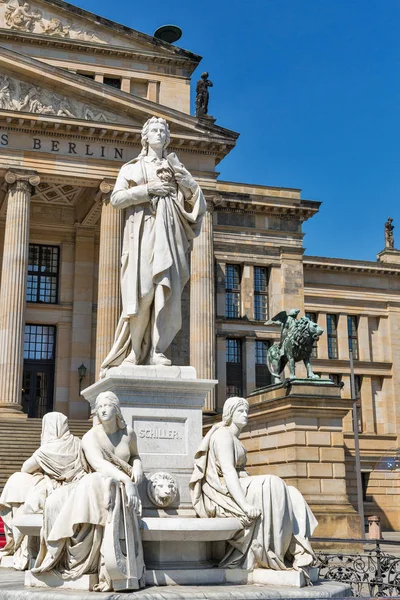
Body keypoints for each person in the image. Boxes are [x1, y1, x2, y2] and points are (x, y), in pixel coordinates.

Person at [100, 116, 205, 375]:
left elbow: (195, 200)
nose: (158, 134)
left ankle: (158, 351)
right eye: (154, 130)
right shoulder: (131, 168)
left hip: (169, 234)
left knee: (164, 293)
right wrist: (149, 190)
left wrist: (188, 184)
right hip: (142, 233)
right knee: (142, 294)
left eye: (162, 131)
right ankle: (135, 352)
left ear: (167, 138)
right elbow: (116, 198)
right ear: (145, 137)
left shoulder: (176, 167)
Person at [190, 397, 317, 574]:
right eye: (240, 411)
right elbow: (228, 471)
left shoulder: (234, 437)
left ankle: (298, 551)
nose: (245, 415)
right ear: (229, 414)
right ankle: (273, 553)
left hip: (239, 484)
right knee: (273, 483)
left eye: (246, 411)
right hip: (223, 492)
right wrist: (245, 506)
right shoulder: (223, 435)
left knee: (292, 493)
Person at [32, 392, 145, 592]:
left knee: (96, 485)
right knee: (83, 488)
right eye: (99, 406)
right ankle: (77, 559)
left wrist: (137, 467)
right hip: (99, 480)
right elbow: (99, 464)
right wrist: (126, 480)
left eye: (108, 405)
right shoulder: (90, 437)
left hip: (116, 482)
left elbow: (134, 455)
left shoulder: (129, 433)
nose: (103, 409)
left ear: (116, 409)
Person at [0, 412, 86, 570]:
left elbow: (25, 468)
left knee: (17, 480)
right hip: (74, 488)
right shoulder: (78, 443)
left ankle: (20, 546)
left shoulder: (47, 449)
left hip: (54, 490)